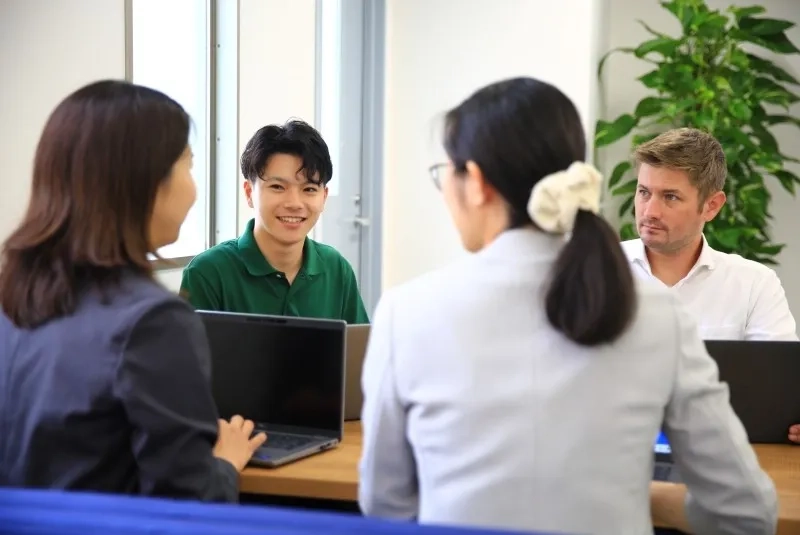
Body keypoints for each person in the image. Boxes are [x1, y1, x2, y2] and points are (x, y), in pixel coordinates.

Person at [358, 77, 776, 534]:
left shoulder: (407, 312)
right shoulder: (659, 314)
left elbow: (385, 504)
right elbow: (747, 511)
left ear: (475, 182)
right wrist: (646, 500)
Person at [0, 80, 266, 501]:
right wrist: (223, 464)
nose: (193, 188)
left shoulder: (12, 296)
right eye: (188, 165)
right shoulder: (152, 322)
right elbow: (188, 504)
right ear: (145, 182)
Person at [179, 120, 368, 324]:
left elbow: (357, 351)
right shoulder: (208, 272)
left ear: (324, 197)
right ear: (249, 193)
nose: (294, 203)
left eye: (309, 189)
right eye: (278, 187)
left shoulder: (337, 269)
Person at [622, 127, 797, 342]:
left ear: (711, 206)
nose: (650, 212)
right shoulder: (594, 270)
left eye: (671, 197)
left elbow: (776, 372)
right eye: (644, 193)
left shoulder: (754, 286)